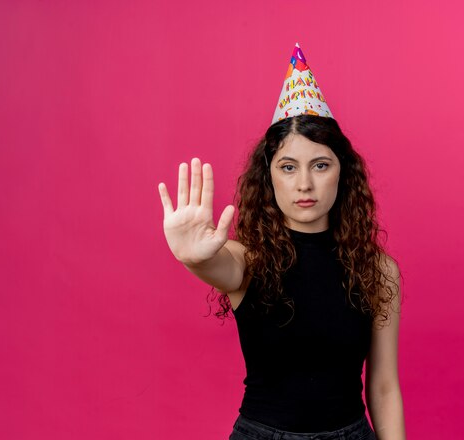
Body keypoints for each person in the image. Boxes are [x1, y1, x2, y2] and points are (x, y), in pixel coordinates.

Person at [157, 44, 405, 440]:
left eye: (320, 165)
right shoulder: (247, 260)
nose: (304, 183)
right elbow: (217, 264)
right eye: (288, 167)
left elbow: (384, 386)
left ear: (344, 173)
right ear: (269, 176)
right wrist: (192, 258)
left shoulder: (377, 269)